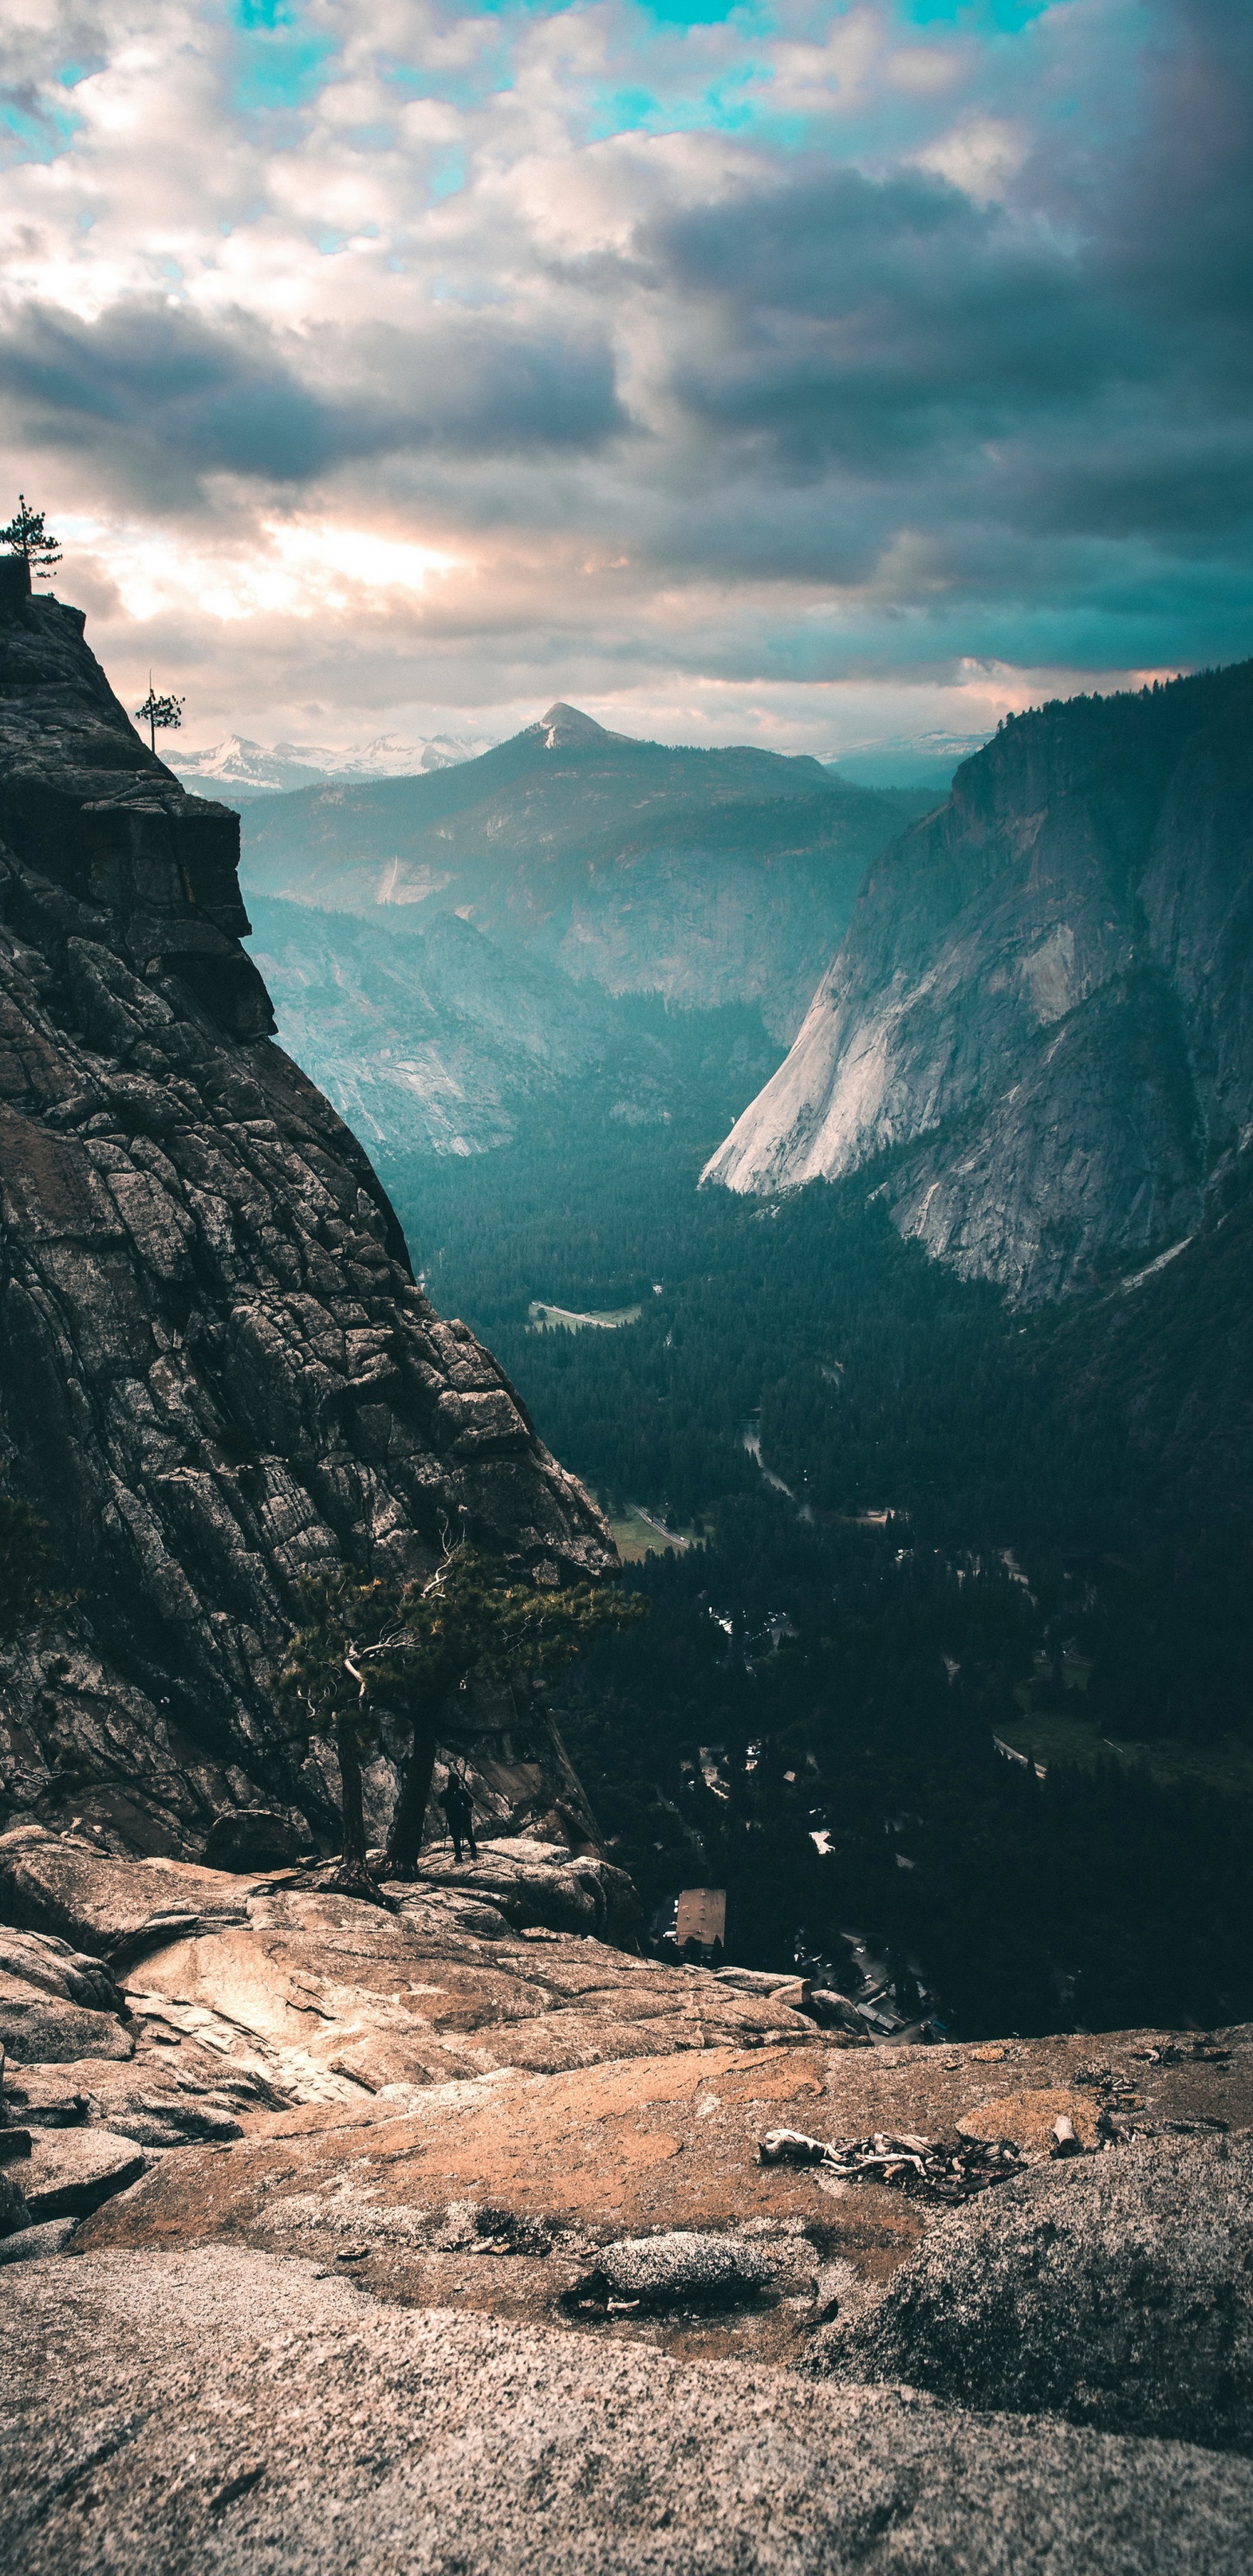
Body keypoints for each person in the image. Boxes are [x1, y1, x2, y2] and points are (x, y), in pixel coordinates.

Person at [439, 1768, 478, 1862]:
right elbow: (470, 1803)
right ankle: (474, 1852)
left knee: (456, 1836)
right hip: (464, 1816)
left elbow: (440, 1804)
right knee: (469, 1834)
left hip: (453, 1817)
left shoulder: (446, 1793)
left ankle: (459, 1855)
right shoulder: (462, 1792)